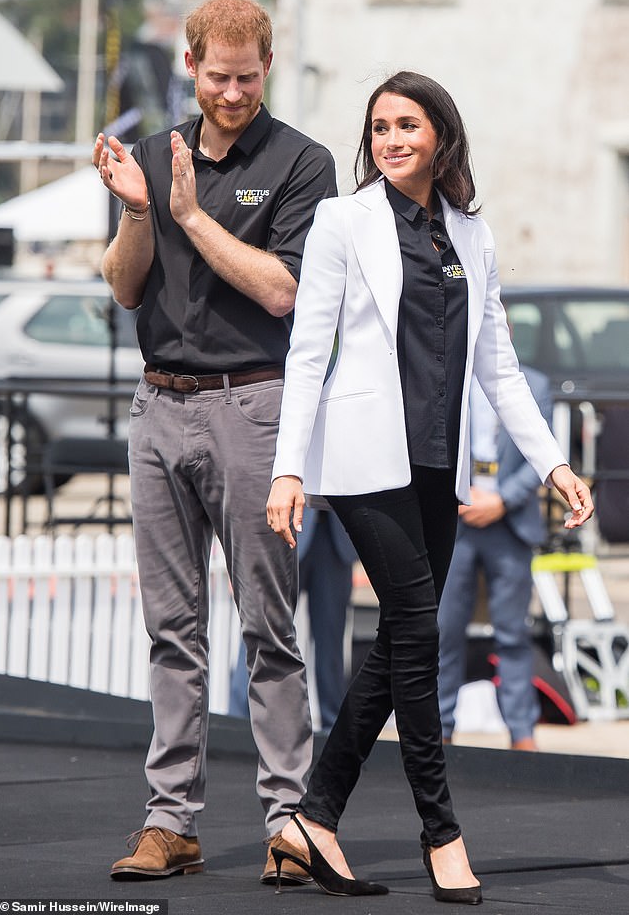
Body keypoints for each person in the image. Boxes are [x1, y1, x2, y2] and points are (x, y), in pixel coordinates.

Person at [266, 71, 593, 904]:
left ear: (440, 136)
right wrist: (290, 468)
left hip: (436, 467)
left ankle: (311, 819)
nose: (391, 139)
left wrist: (553, 463)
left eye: (407, 125)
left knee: (398, 645)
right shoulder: (343, 220)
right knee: (418, 632)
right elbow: (309, 353)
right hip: (362, 466)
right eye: (378, 127)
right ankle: (441, 834)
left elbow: (499, 367)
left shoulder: (469, 236)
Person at [92, 0, 337, 882]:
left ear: (265, 68)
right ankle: (171, 823)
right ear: (190, 67)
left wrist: (190, 215)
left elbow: (285, 293)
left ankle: (289, 822)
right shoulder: (154, 155)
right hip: (157, 405)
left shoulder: (303, 163)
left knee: (269, 624)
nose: (232, 92)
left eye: (248, 76)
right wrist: (135, 211)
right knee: (172, 629)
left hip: (253, 405)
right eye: (218, 76)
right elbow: (124, 291)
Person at [438, 369, 554, 751]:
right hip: (456, 521)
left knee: (513, 634)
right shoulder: (449, 372)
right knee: (444, 631)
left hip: (510, 523)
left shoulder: (535, 386)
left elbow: (542, 456)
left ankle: (522, 734)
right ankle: (439, 730)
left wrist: (500, 500)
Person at [229, 505, 357, 732]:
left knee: (332, 647)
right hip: (284, 528)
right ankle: (238, 724)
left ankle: (333, 736)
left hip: (336, 532)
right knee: (262, 629)